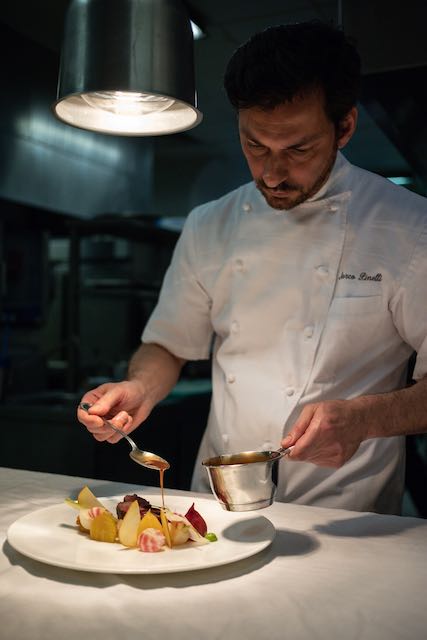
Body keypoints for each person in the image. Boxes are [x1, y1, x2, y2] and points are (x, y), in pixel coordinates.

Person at [78, 21, 427, 515]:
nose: (271, 174)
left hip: (346, 515)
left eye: (298, 149)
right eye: (255, 145)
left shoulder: (409, 227)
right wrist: (139, 389)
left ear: (345, 127)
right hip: (216, 506)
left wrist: (365, 418)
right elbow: (169, 345)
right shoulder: (209, 224)